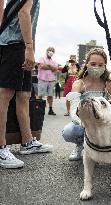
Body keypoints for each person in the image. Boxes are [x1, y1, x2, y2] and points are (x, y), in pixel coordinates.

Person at [0, 0, 53, 169]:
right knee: (4, 95)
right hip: (14, 44)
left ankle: (27, 142)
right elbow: (24, 13)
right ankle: (1, 147)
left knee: (24, 95)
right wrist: (29, 47)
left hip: (18, 44)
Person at [62, 48, 111, 161]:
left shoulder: (109, 83)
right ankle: (80, 145)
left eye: (100, 64)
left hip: (103, 123)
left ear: (105, 66)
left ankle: (103, 148)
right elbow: (73, 110)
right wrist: (83, 122)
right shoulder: (78, 84)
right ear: (86, 64)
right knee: (69, 132)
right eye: (93, 64)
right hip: (83, 123)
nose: (96, 67)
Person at [37, 46, 58, 115]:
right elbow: (42, 66)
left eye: (52, 51)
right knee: (40, 94)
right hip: (42, 79)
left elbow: (55, 69)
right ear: (47, 51)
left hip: (51, 80)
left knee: (50, 95)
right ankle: (38, 109)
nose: (51, 52)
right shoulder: (41, 58)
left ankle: (50, 110)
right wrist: (51, 67)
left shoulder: (53, 61)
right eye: (50, 50)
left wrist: (49, 66)